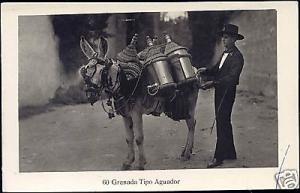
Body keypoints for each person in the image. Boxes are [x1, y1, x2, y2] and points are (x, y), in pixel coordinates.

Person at [198, 24, 245, 168]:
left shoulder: (238, 57)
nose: (223, 40)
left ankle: (218, 157)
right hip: (220, 91)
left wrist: (212, 83)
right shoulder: (224, 54)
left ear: (233, 39)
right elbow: (216, 69)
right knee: (224, 120)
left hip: (227, 93)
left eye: (226, 38)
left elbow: (231, 78)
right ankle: (230, 153)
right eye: (223, 38)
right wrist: (205, 70)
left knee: (222, 121)